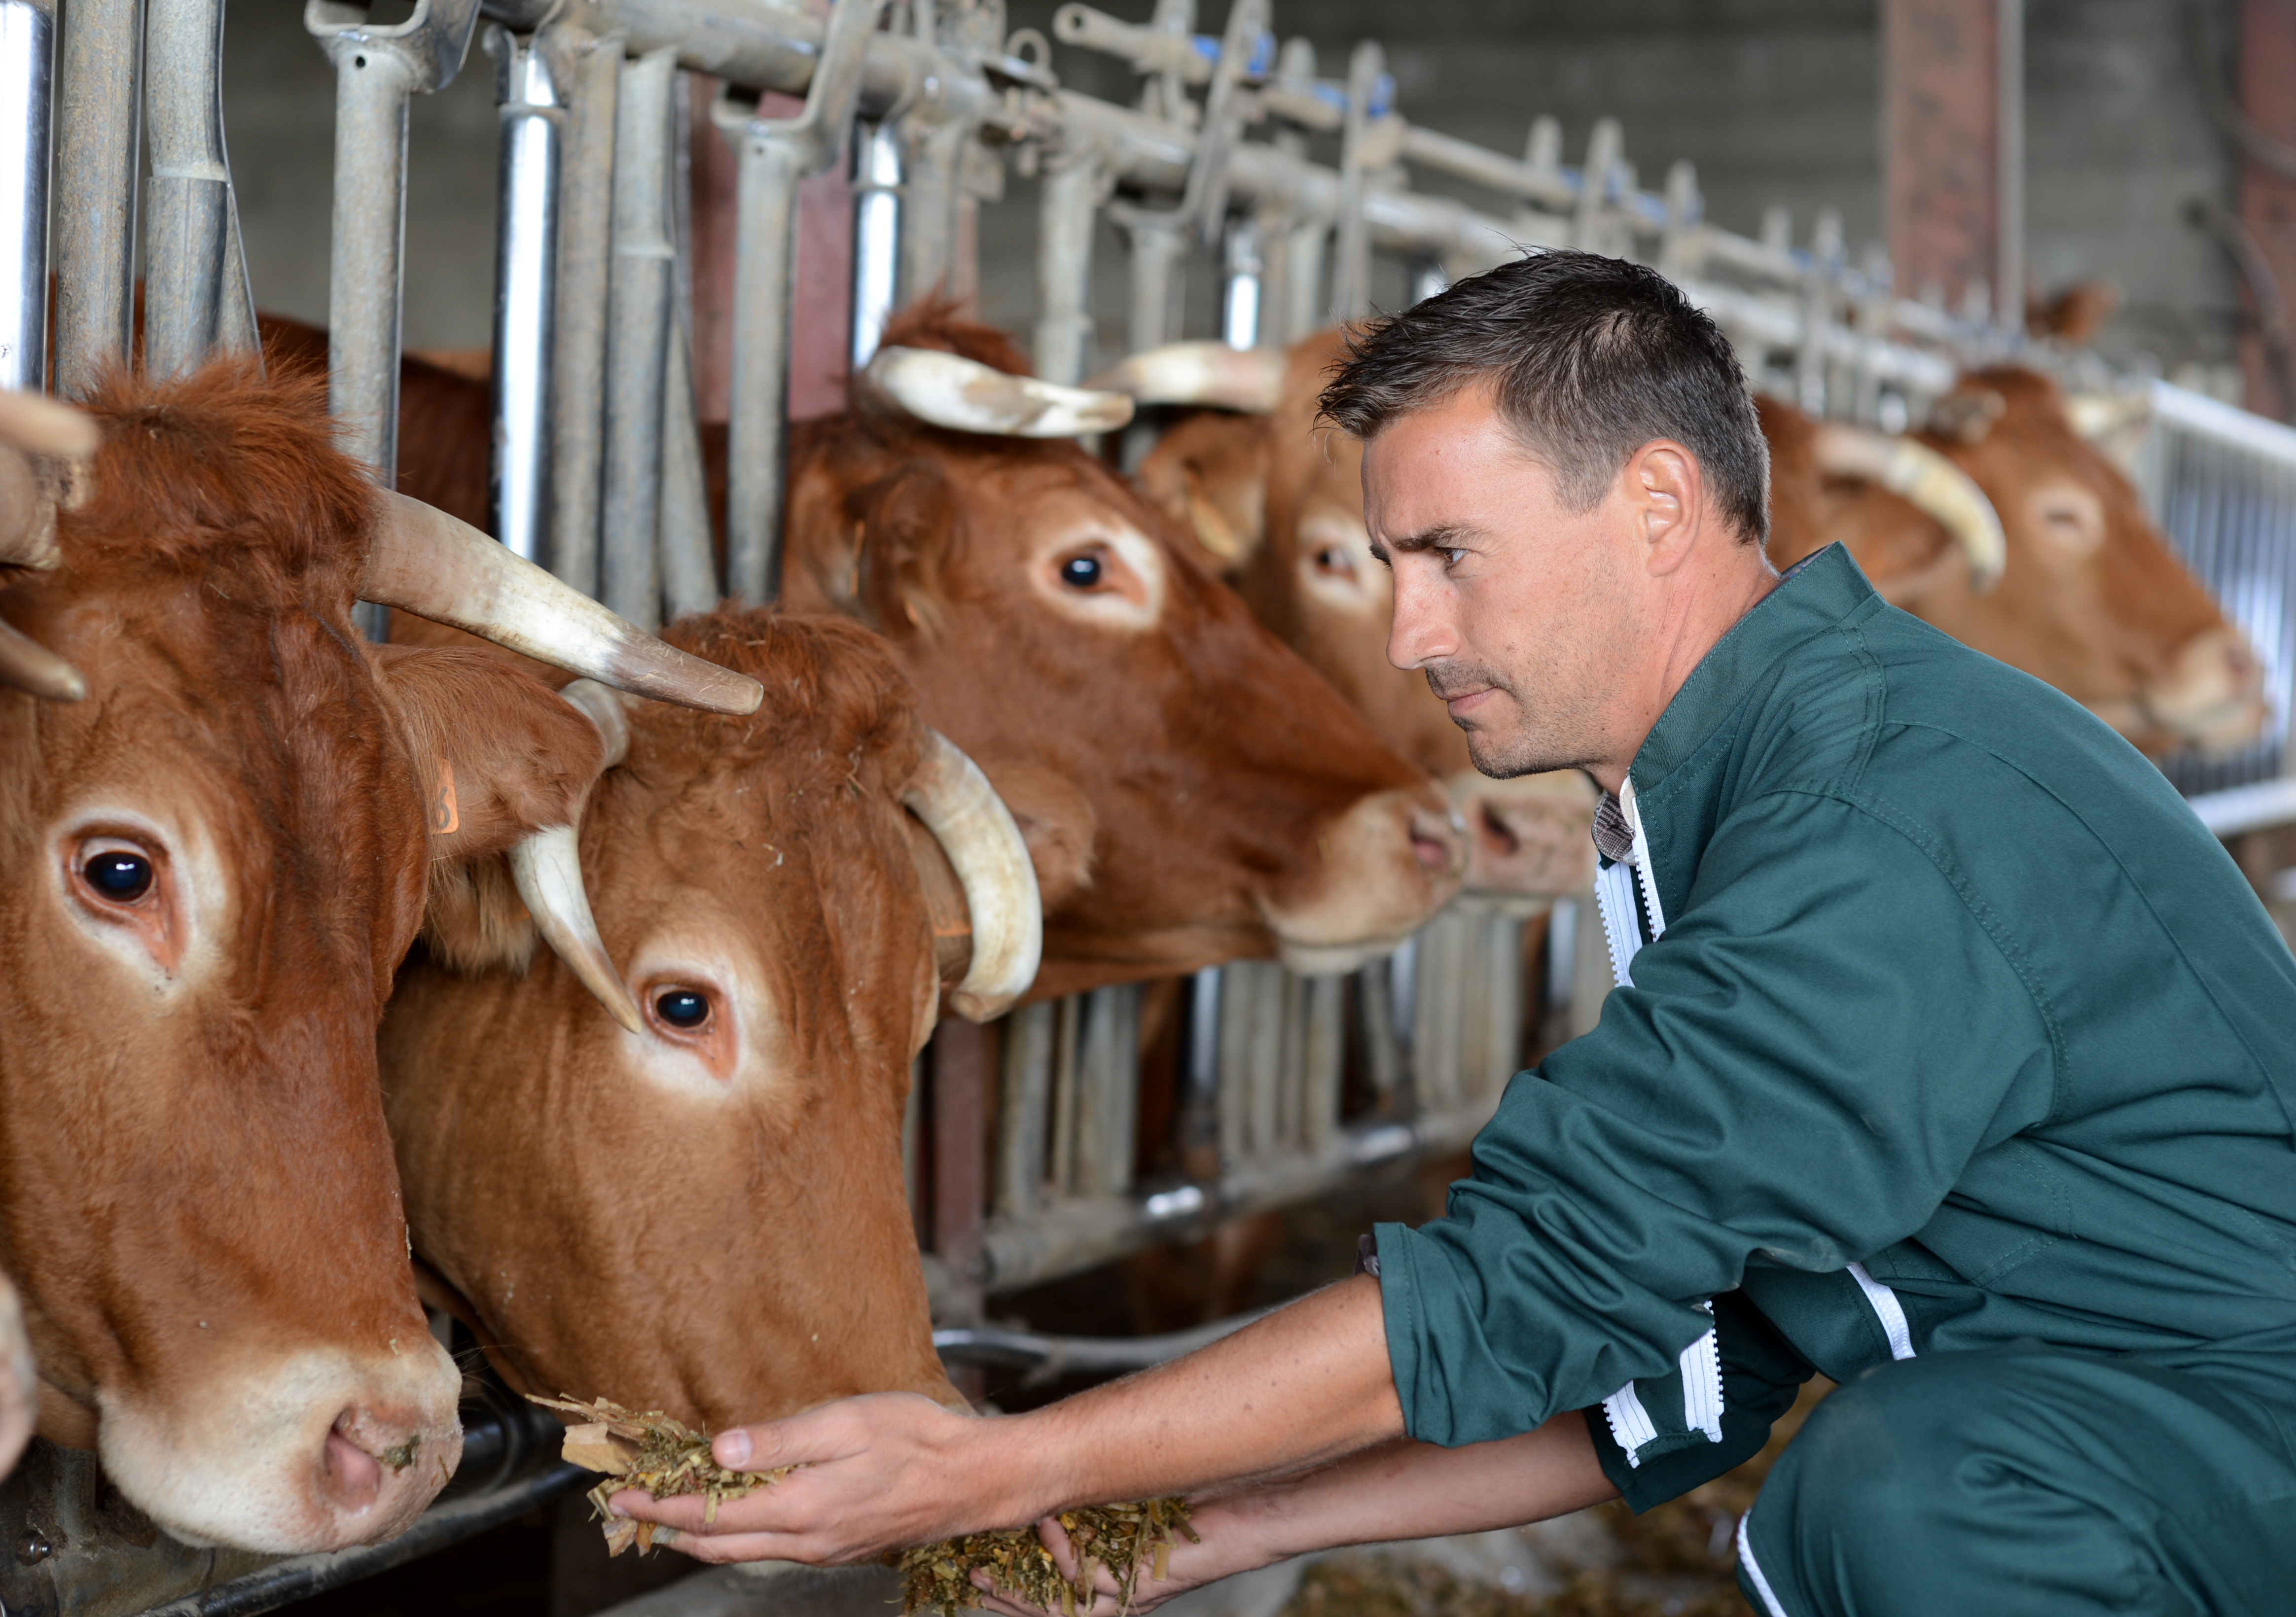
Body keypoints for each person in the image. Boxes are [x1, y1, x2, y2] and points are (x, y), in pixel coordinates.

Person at [610, 251, 2296, 1617]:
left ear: (1653, 504)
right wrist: (1207, 1535)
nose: (1412, 633)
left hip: (2234, 1443)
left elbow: (1534, 1283)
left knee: (1910, 1493)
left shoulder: (1870, 822)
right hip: (2172, 1424)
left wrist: (1004, 1468)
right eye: (1388, 563)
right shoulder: (1775, 766)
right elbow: (1693, 1365)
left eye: (1450, 557)